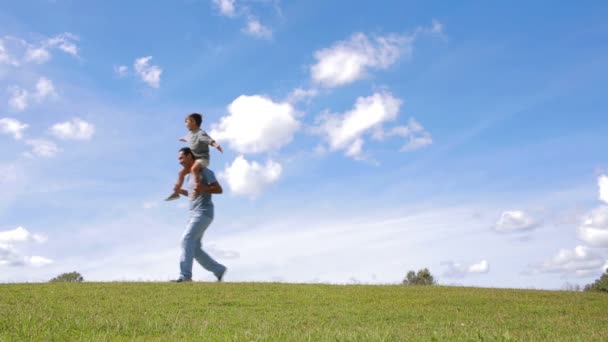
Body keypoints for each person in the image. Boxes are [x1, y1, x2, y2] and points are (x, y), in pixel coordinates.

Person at [172, 147, 227, 282]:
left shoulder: (205, 172)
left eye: (181, 158)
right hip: (193, 214)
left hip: (204, 213)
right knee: (195, 248)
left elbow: (219, 189)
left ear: (190, 156)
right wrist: (181, 191)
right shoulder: (189, 177)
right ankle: (218, 270)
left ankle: (185, 276)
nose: (179, 161)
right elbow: (193, 194)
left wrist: (204, 188)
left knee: (186, 239)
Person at [166, 113, 223, 201]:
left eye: (187, 122)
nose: (185, 124)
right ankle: (176, 192)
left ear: (193, 122)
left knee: (193, 169)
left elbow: (209, 140)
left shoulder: (200, 133)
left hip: (203, 159)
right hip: (195, 161)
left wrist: (216, 145)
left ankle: (197, 188)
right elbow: (187, 138)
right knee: (181, 173)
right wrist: (183, 139)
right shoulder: (190, 134)